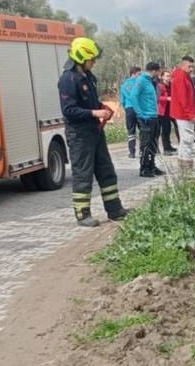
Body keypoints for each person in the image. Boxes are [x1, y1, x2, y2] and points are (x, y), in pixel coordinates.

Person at [58, 37, 128, 226]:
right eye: (92, 59)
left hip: (94, 132)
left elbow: (89, 102)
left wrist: (101, 107)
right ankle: (83, 214)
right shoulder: (68, 79)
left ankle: (115, 210)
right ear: (81, 57)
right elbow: (69, 110)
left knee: (106, 170)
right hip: (79, 135)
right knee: (83, 174)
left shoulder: (87, 77)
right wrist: (95, 112)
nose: (94, 62)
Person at [129, 61, 165, 178]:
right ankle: (144, 168)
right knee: (146, 143)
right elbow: (133, 96)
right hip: (146, 117)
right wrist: (140, 113)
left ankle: (151, 165)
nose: (159, 73)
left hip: (154, 115)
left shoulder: (151, 82)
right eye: (159, 71)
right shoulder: (141, 80)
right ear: (154, 71)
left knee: (153, 142)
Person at [169, 55, 195, 171]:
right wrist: (190, 115)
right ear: (183, 65)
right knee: (188, 139)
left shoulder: (184, 76)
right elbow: (183, 98)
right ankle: (186, 165)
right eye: (189, 66)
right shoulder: (181, 77)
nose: (191, 69)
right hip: (184, 114)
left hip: (184, 113)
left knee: (184, 139)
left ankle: (182, 163)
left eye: (192, 66)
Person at [119, 66, 141, 158]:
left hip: (129, 109)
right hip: (139, 108)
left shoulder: (124, 85)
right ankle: (142, 150)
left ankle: (132, 152)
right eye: (139, 74)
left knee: (131, 131)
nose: (140, 76)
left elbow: (122, 100)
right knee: (142, 130)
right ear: (134, 73)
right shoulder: (139, 84)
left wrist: (126, 108)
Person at [157, 70, 178, 155]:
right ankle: (165, 149)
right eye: (166, 76)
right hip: (162, 111)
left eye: (169, 76)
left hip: (171, 110)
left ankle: (168, 146)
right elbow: (158, 97)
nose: (168, 78)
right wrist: (167, 98)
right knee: (164, 130)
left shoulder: (171, 85)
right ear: (162, 77)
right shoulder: (159, 86)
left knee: (169, 129)